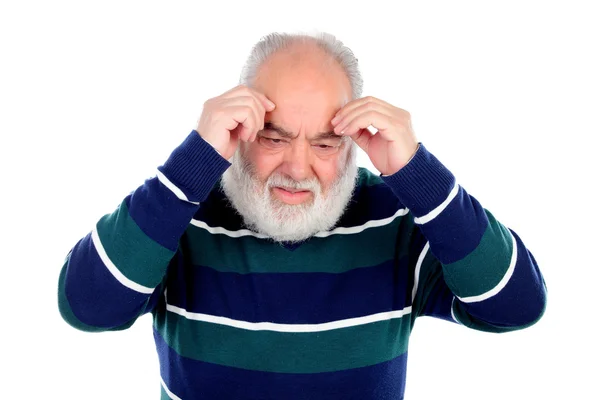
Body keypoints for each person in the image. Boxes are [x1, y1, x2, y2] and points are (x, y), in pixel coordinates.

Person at [58, 31, 547, 399]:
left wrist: (417, 171)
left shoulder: (395, 219)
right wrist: (191, 166)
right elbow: (85, 307)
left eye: (325, 143)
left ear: (353, 142)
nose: (297, 168)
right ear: (239, 127)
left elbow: (516, 306)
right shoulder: (179, 215)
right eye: (274, 137)